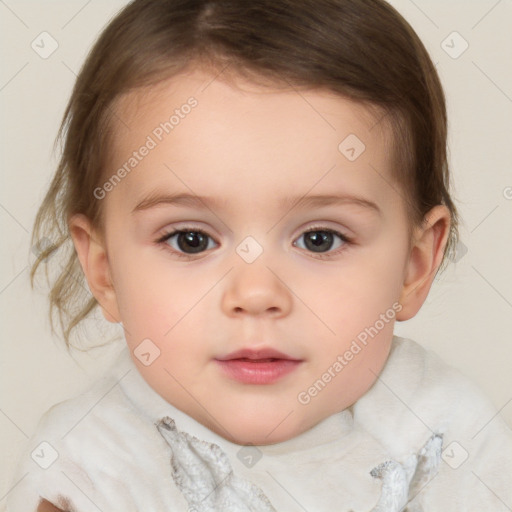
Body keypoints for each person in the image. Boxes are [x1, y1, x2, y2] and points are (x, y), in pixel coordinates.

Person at [6, 0, 511, 510]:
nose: (256, 294)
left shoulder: (444, 436)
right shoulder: (89, 466)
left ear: (414, 266)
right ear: (105, 270)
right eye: (190, 240)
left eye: (320, 239)